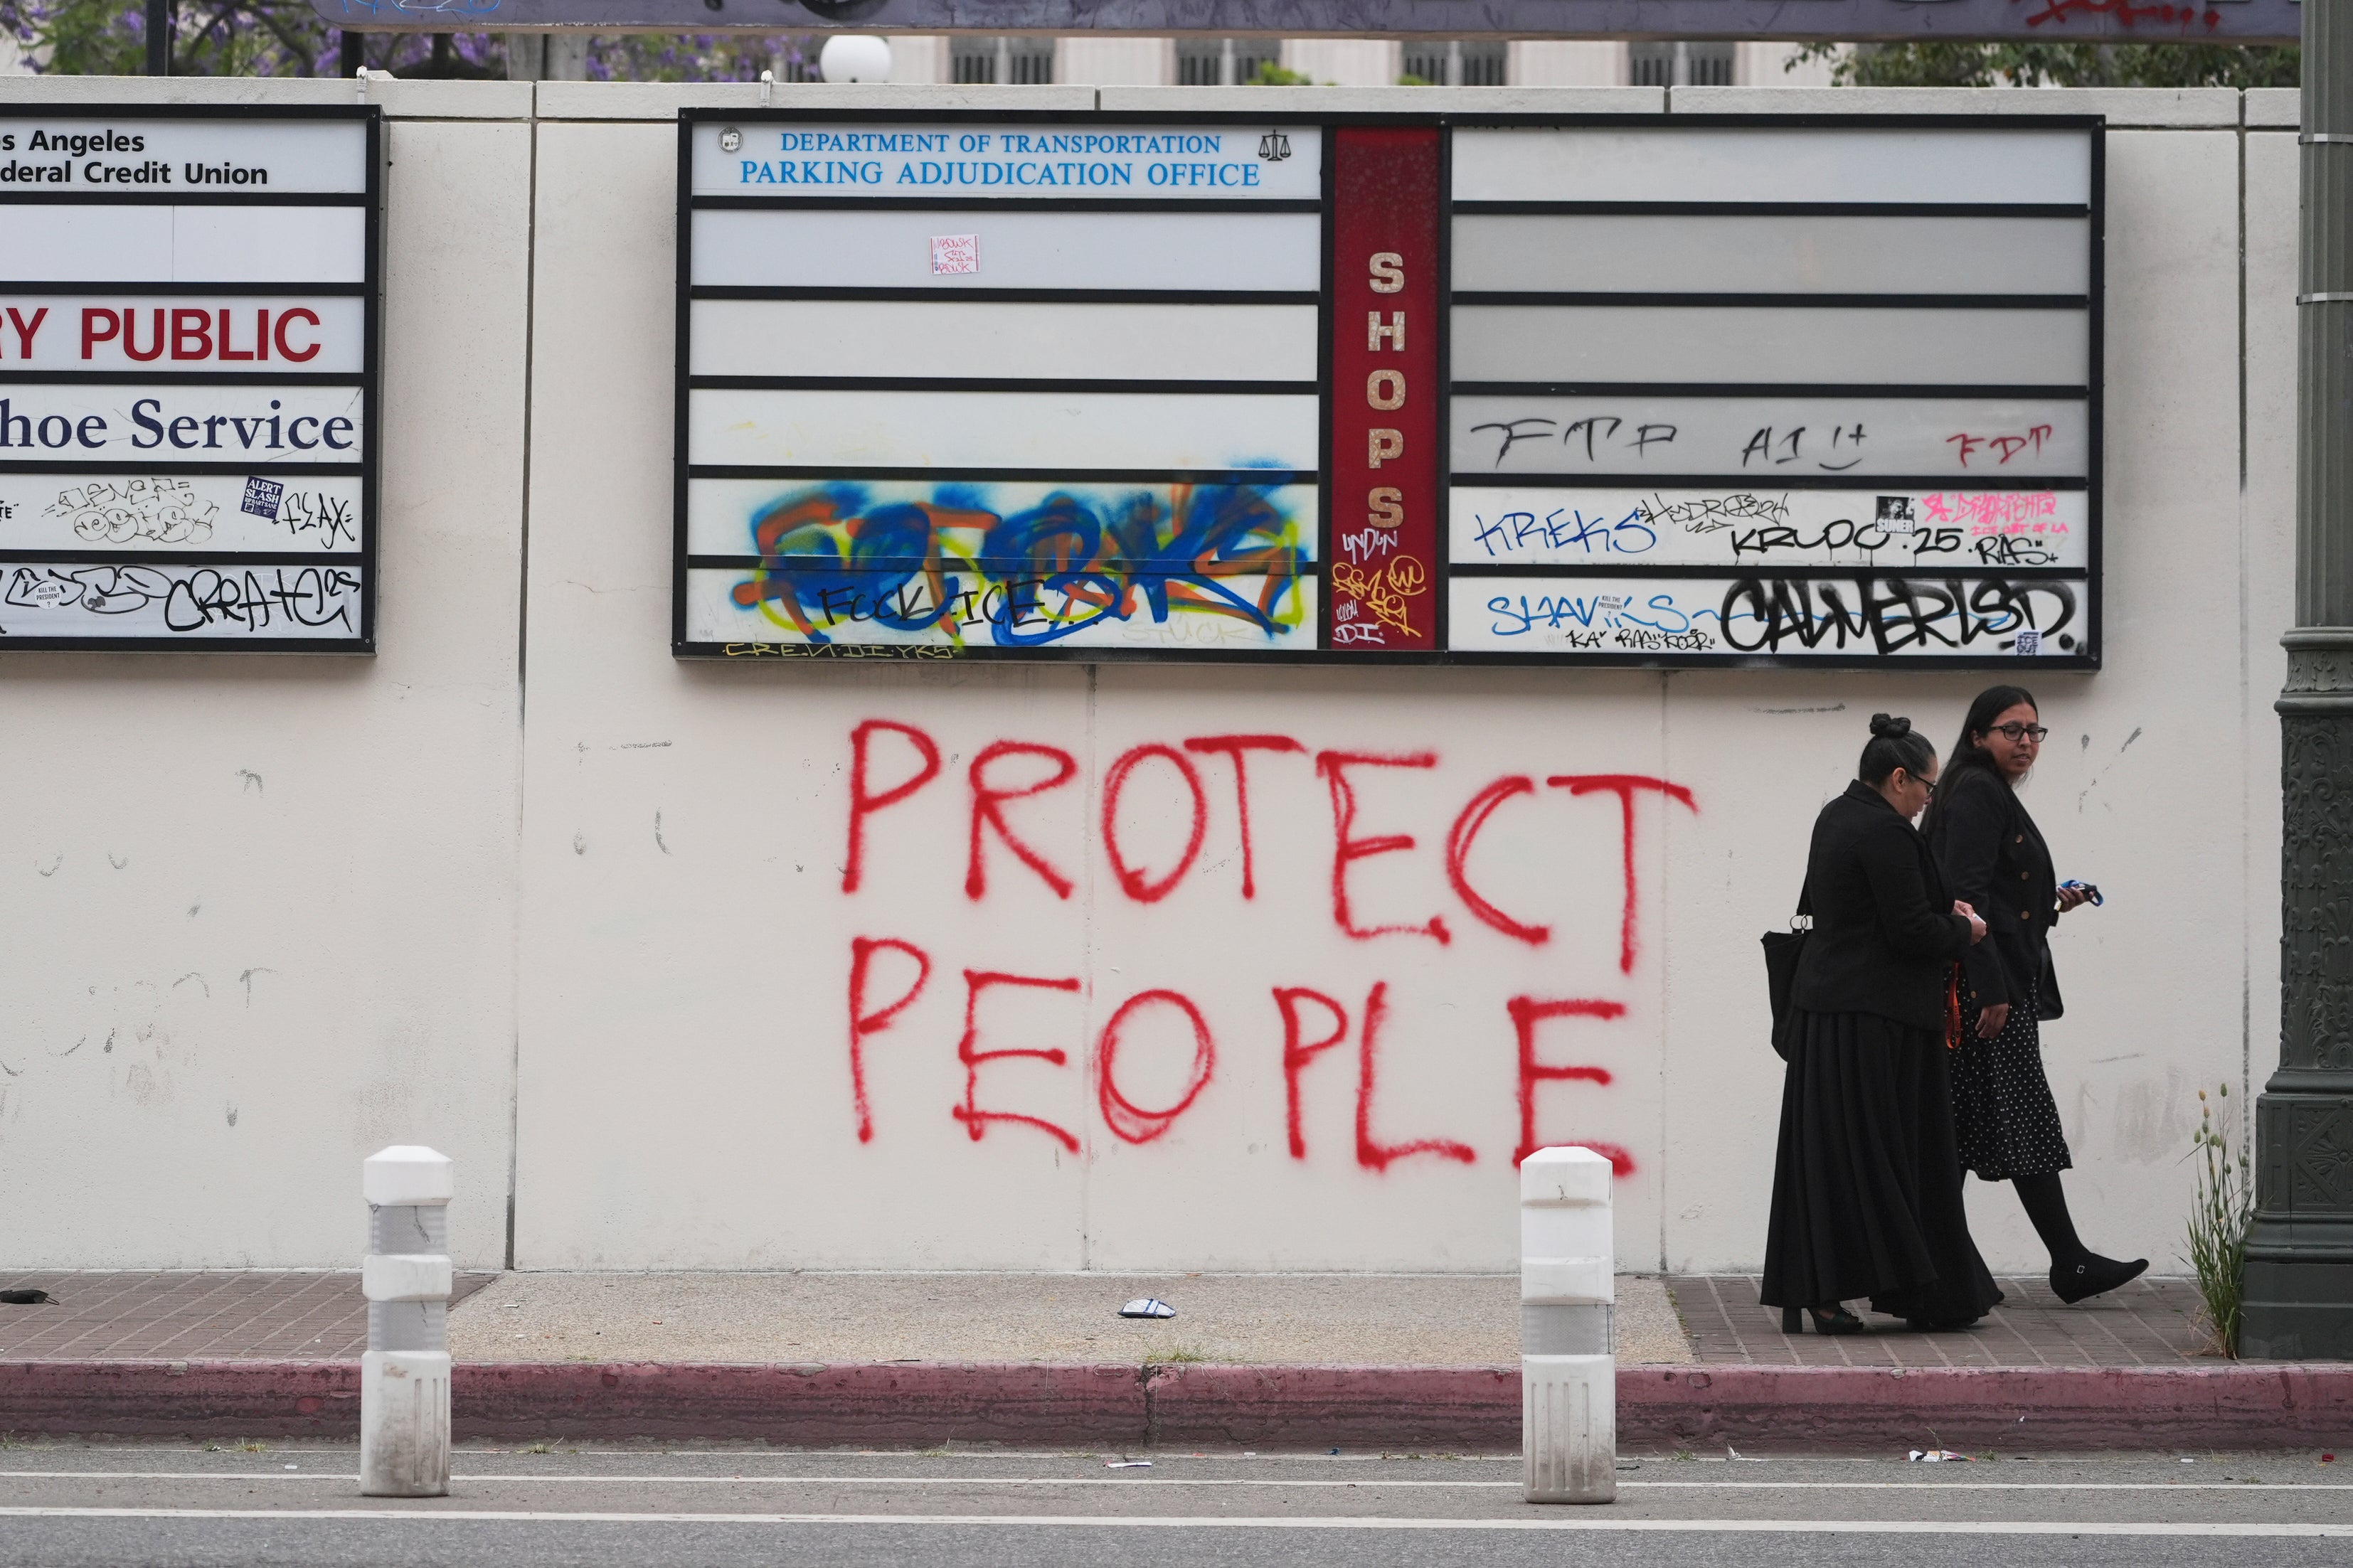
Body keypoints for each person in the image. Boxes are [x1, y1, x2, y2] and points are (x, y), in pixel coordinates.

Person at [1762, 715, 2004, 1334]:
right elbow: (1909, 931)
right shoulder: (1886, 832)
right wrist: (1965, 929)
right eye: (1926, 786)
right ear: (1899, 778)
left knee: (1832, 1156)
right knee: (1885, 1158)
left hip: (1830, 1014)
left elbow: (1861, 908)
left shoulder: (1838, 815)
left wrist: (1940, 909)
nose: (1928, 800)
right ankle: (1892, 1290)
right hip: (1876, 1022)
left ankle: (1816, 1290)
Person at [1923, 686, 2147, 1304]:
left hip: (1989, 984)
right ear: (1978, 736)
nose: (2026, 741)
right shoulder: (1978, 791)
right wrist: (1990, 989)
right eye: (2012, 730)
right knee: (1995, 1121)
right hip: (1985, 991)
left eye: (2034, 731)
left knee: (1970, 1126)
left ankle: (1958, 1261)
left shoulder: (1984, 789)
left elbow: (1997, 896)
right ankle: (2054, 1261)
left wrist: (2050, 904)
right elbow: (1966, 898)